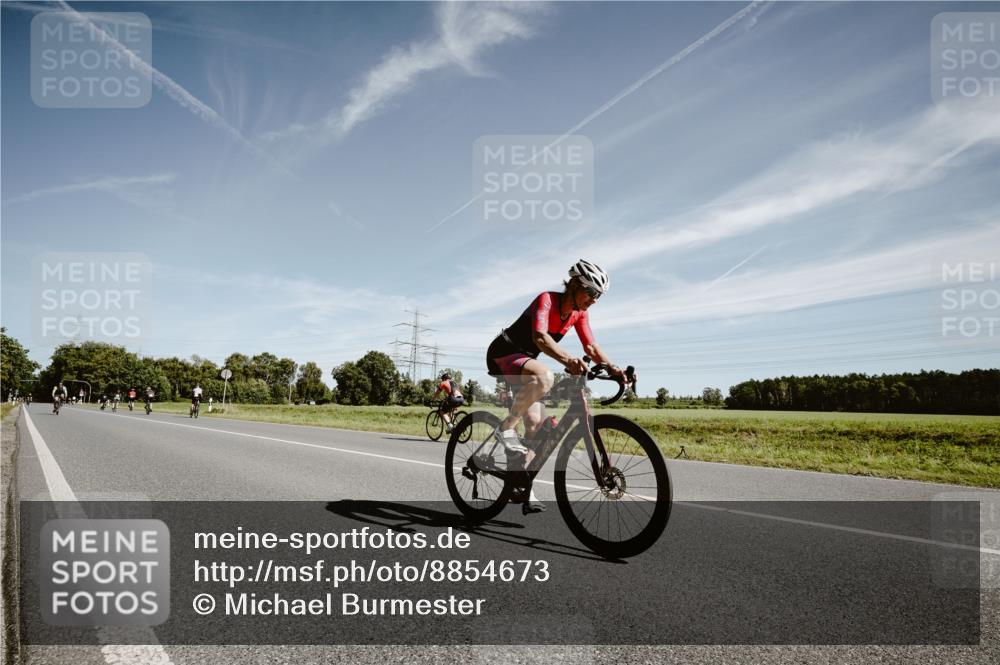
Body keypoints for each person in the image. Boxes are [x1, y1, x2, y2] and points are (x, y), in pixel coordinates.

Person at [485, 260, 626, 514]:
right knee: (545, 377)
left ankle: (522, 483)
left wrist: (614, 368)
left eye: (599, 295)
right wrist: (568, 359)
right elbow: (540, 337)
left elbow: (591, 347)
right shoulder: (547, 300)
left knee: (536, 425)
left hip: (525, 361)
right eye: (591, 292)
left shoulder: (579, 314)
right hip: (504, 353)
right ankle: (504, 428)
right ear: (574, 284)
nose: (594, 300)